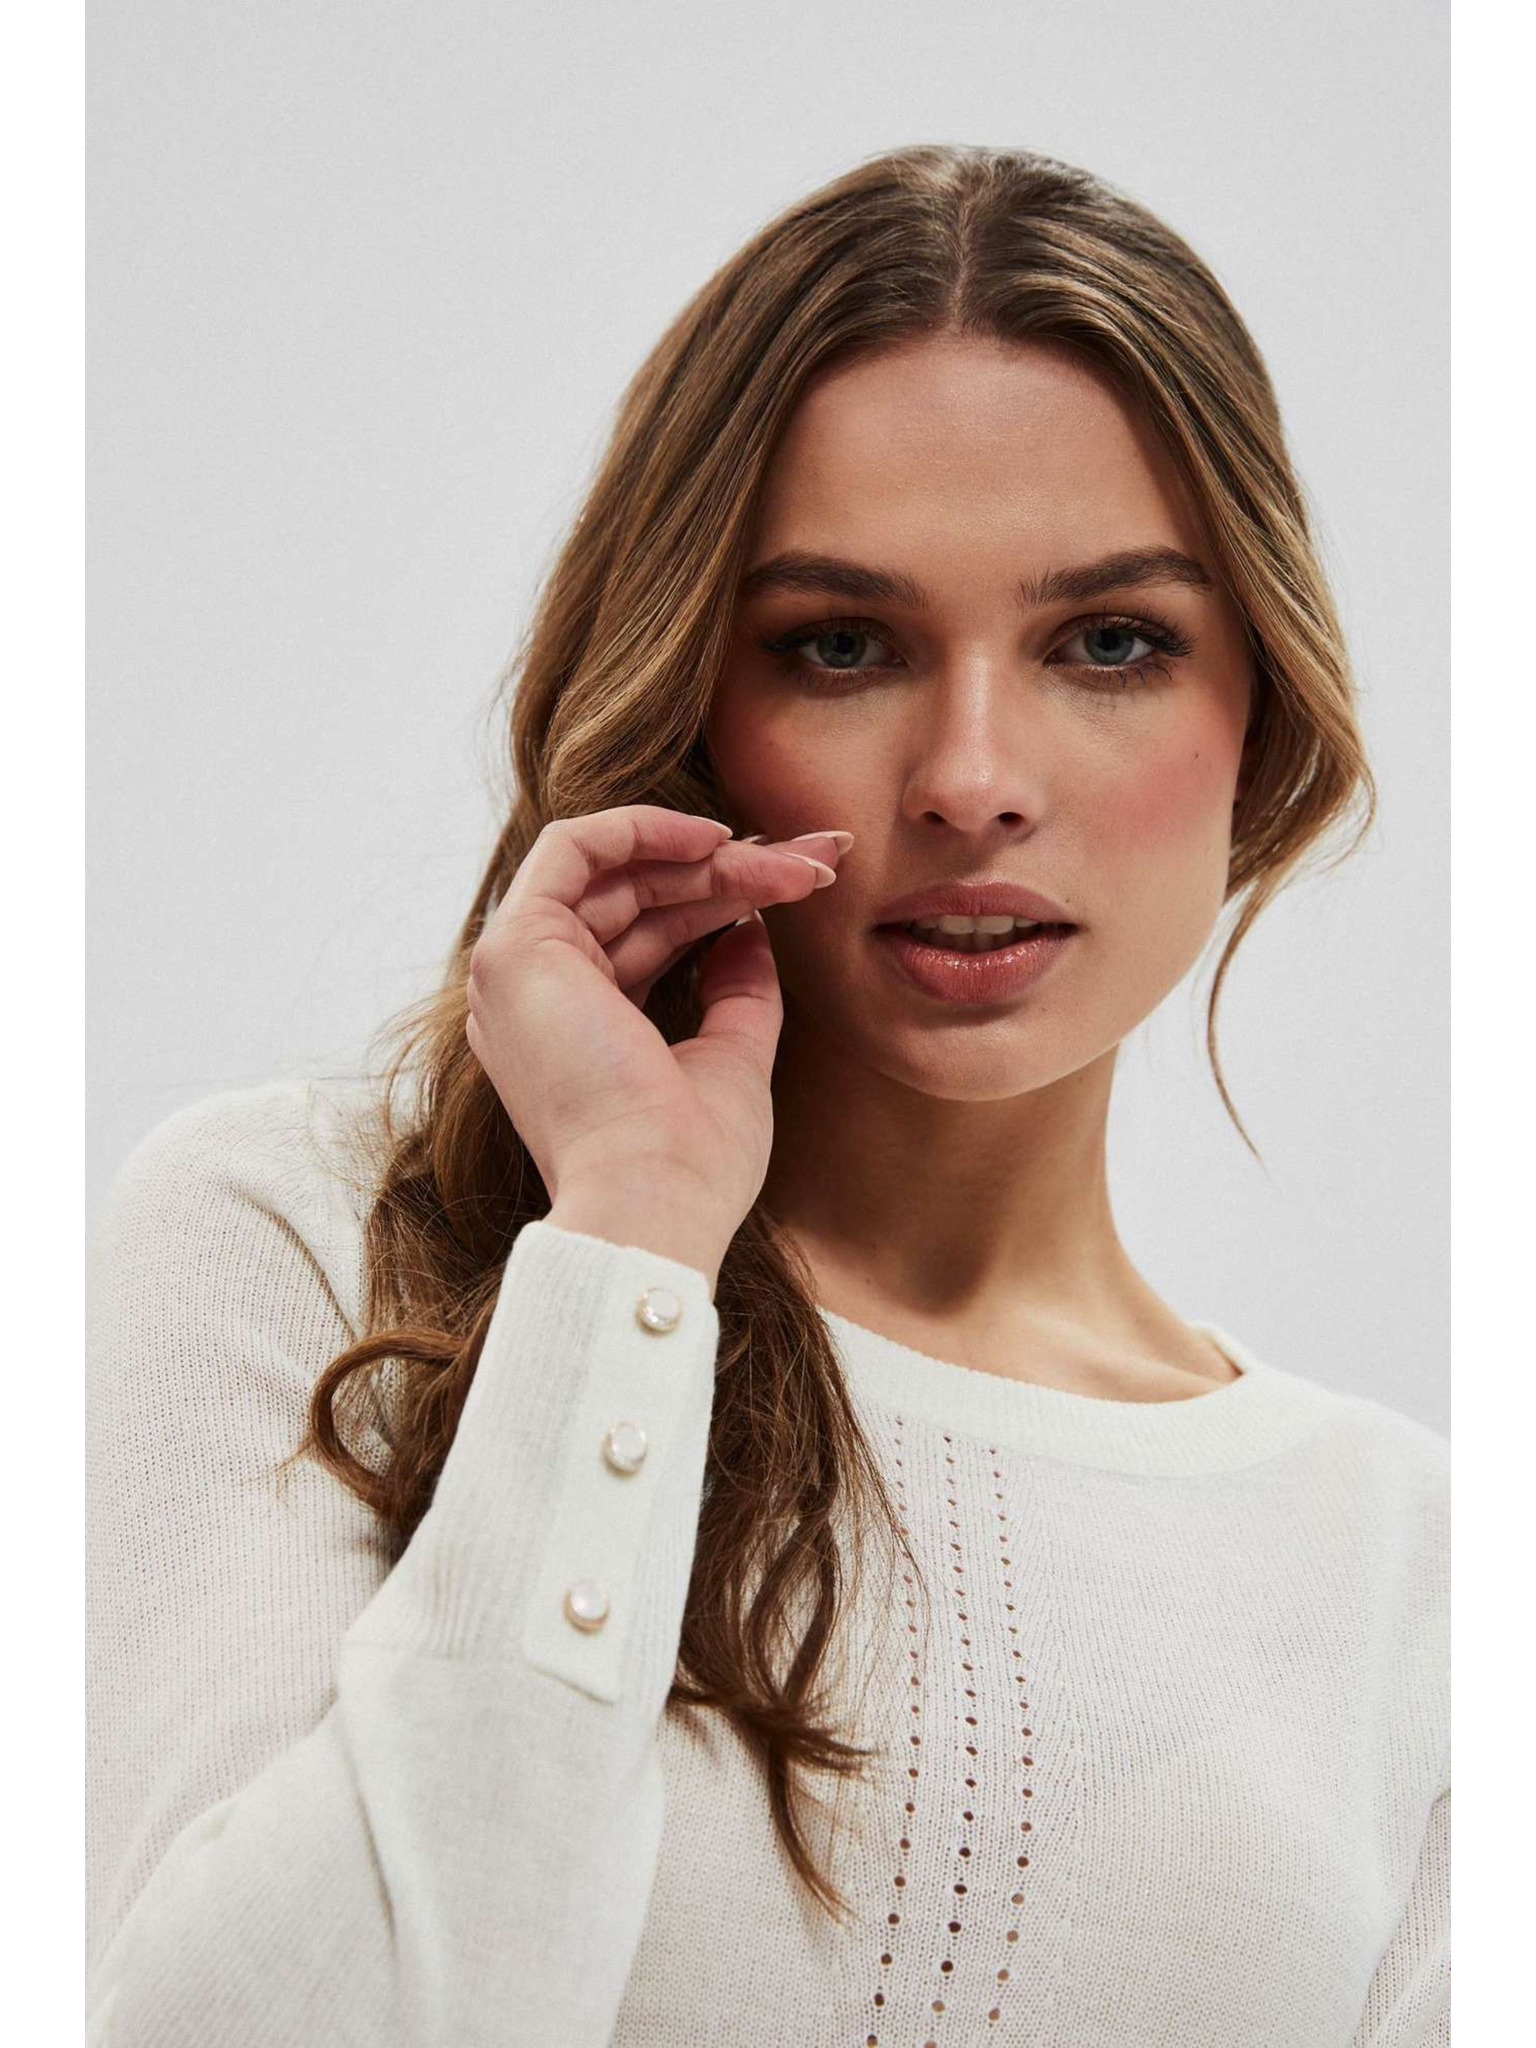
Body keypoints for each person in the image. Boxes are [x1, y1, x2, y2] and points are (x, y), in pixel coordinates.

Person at [85, 144, 1449, 2046]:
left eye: (1111, 642)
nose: (971, 777)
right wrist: (630, 1244)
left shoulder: (1414, 1576)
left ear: (1265, 717)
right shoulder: (303, 1252)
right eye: (841, 645)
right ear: (692, 708)